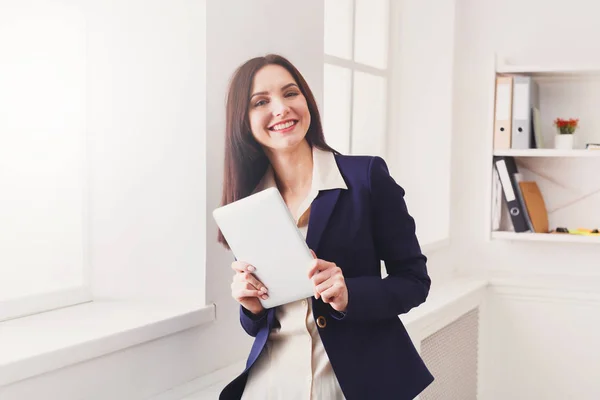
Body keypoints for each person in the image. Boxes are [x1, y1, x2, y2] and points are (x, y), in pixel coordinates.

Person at [217, 54, 434, 400]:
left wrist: (351, 295)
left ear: (307, 102)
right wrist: (251, 307)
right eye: (261, 101)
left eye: (290, 93)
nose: (281, 108)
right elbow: (262, 322)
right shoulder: (249, 204)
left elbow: (414, 282)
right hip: (270, 383)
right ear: (243, 121)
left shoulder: (366, 178)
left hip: (351, 385)